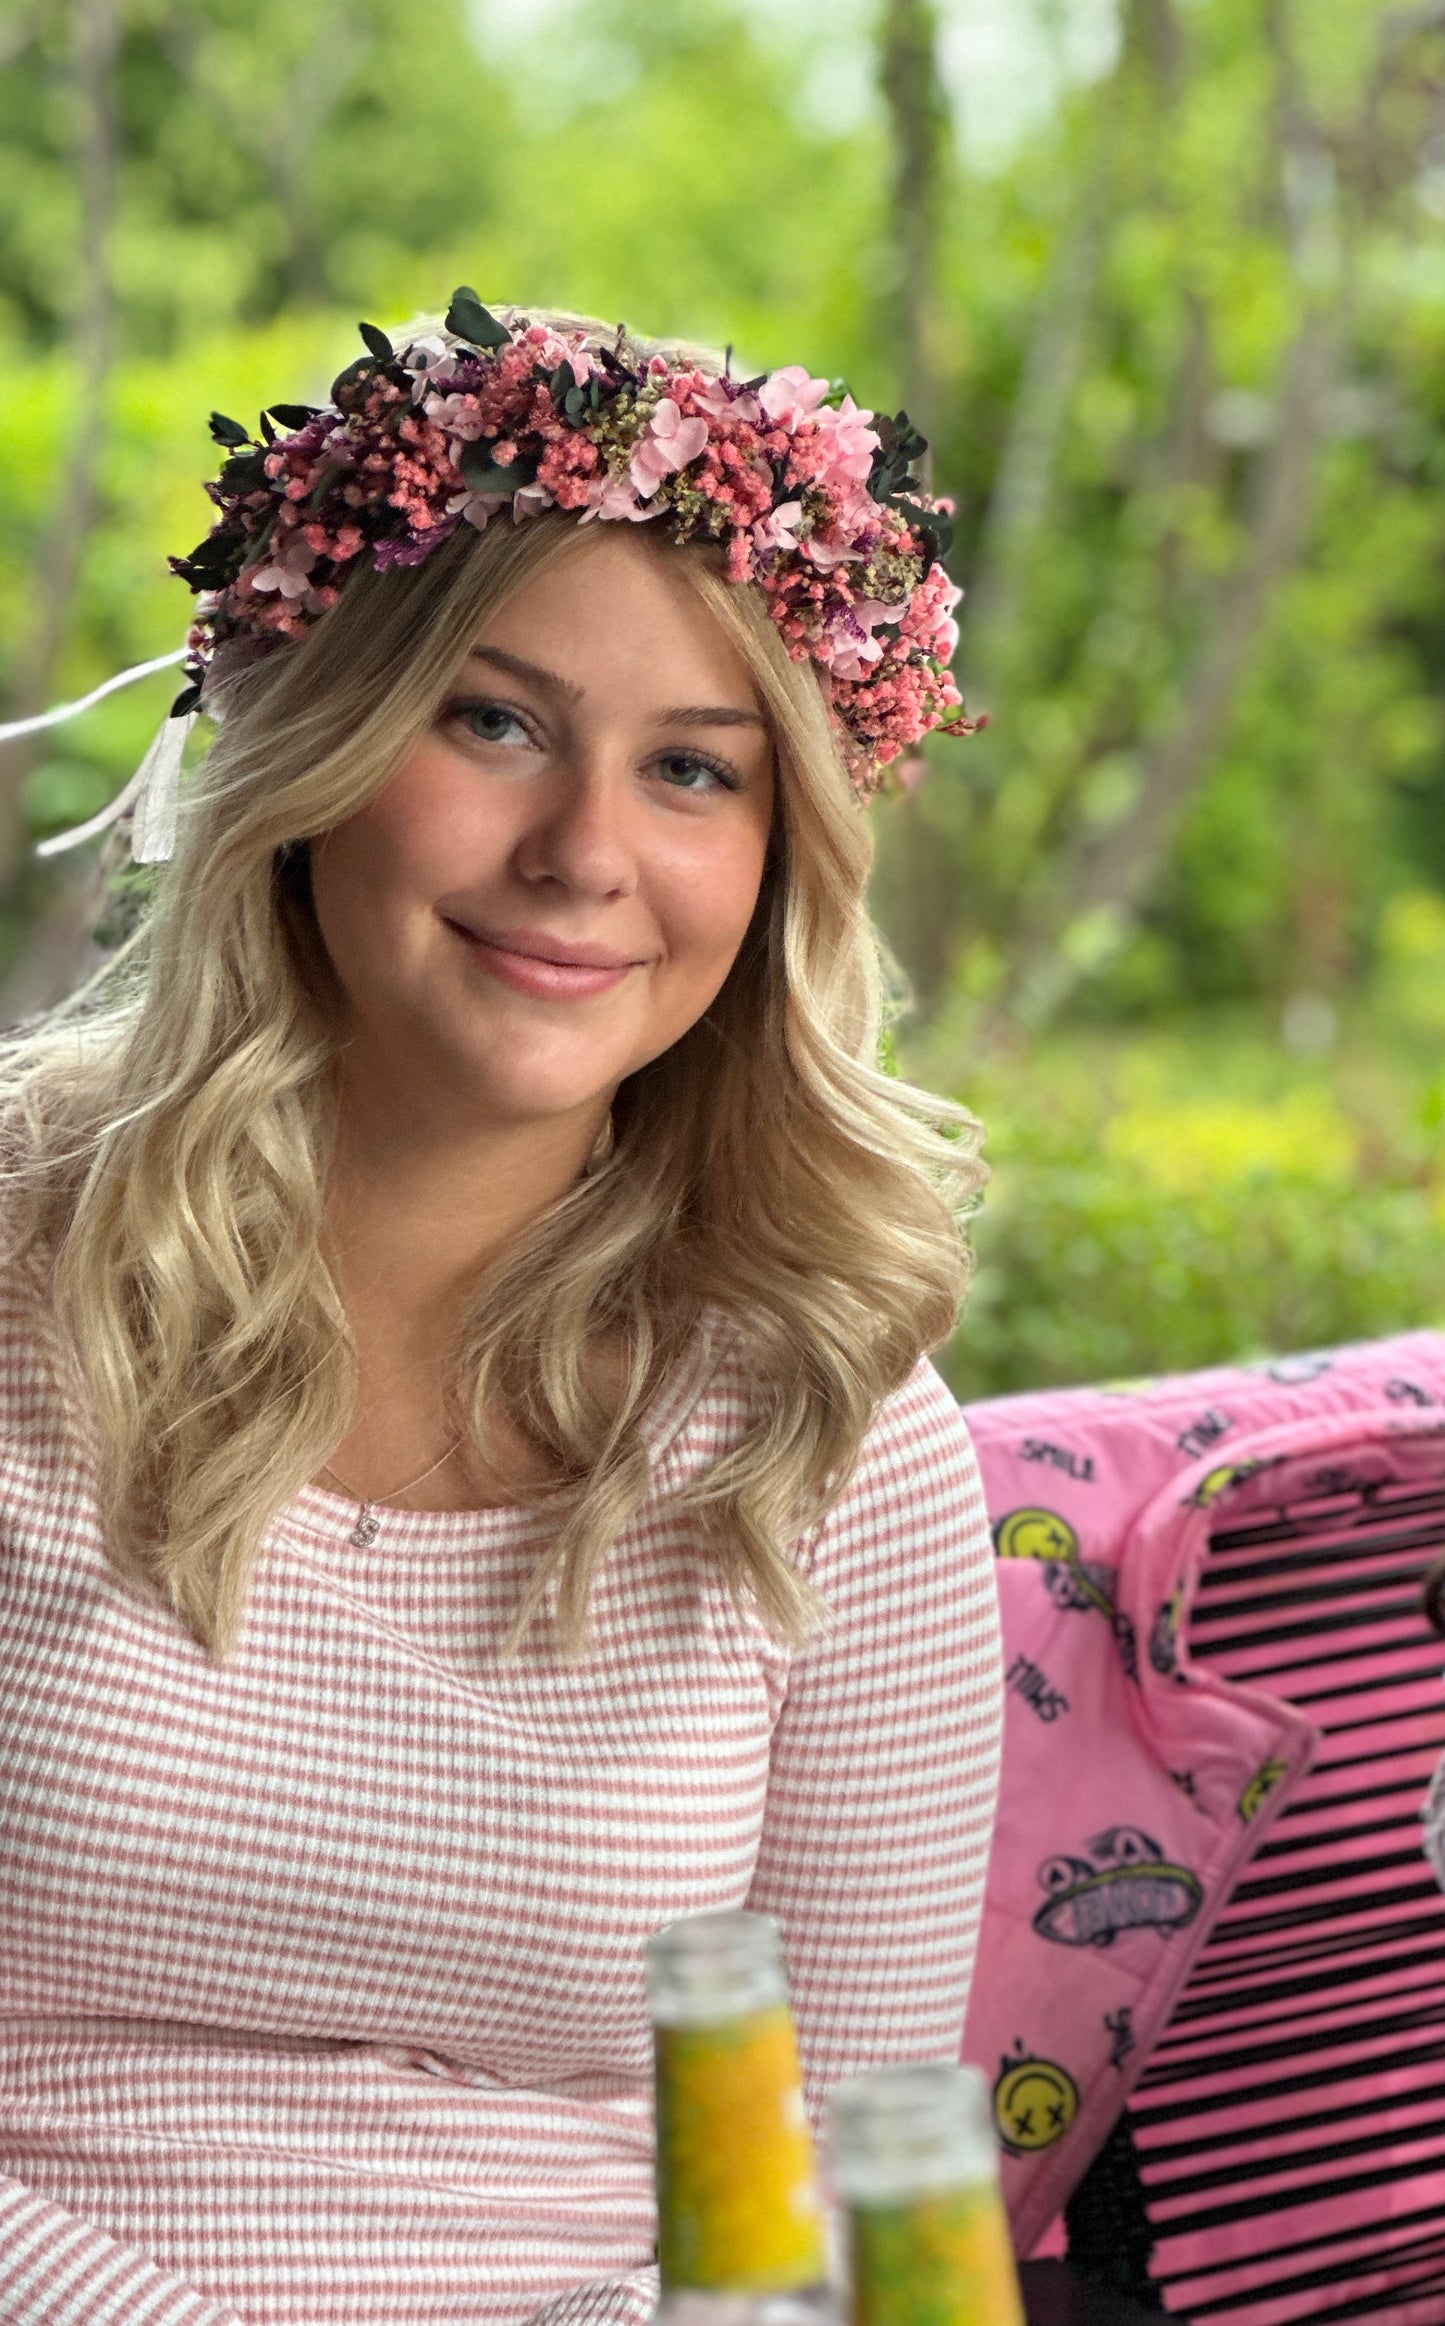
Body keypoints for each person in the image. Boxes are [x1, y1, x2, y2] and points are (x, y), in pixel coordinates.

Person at [0, 295, 1003, 2326]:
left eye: (695, 771)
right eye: (494, 721)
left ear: (779, 854)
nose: (584, 855)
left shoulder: (842, 1425)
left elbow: (851, 2168)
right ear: (317, 752)